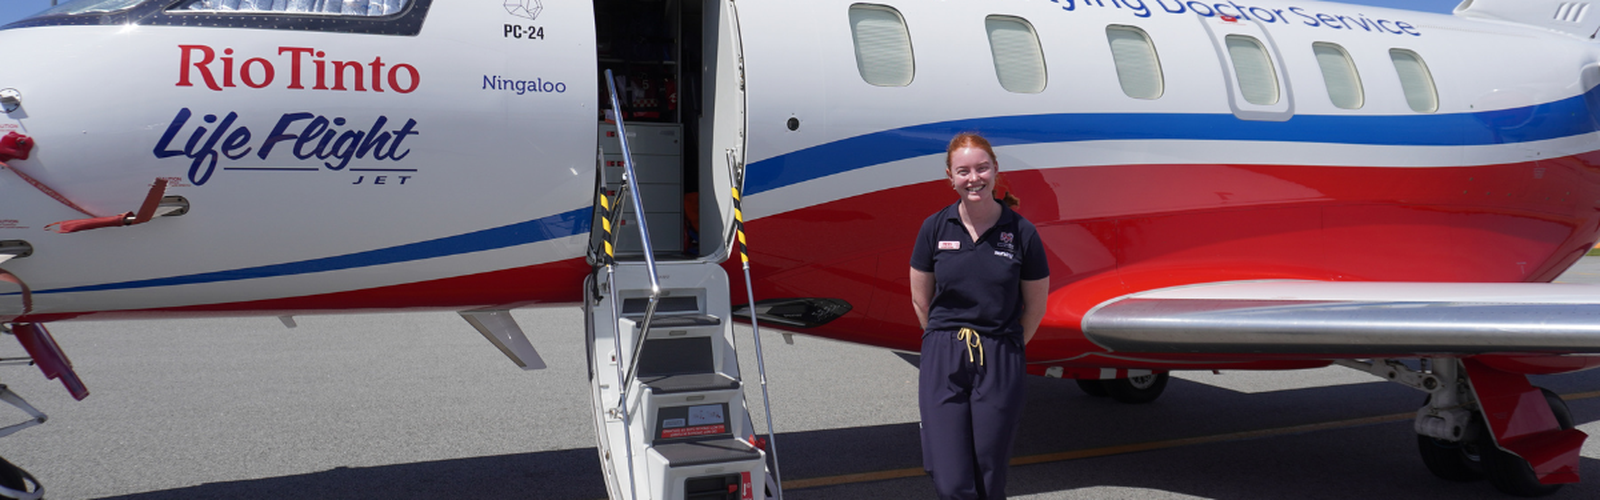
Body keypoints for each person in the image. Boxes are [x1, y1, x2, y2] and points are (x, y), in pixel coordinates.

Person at [909, 132, 1050, 500]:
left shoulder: (1022, 233)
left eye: (982, 168)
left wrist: (1005, 346)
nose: (974, 178)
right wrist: (945, 344)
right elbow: (921, 301)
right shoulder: (934, 228)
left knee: (989, 473)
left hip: (999, 351)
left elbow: (1035, 306)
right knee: (950, 477)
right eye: (964, 171)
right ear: (950, 177)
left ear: (995, 170)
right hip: (944, 352)